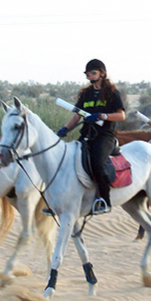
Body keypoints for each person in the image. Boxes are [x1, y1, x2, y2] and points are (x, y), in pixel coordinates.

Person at [56, 59, 126, 214]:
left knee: (97, 163)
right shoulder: (86, 94)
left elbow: (121, 116)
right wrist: (64, 129)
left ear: (103, 73)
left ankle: (105, 201)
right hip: (86, 134)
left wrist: (102, 116)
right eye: (88, 73)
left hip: (104, 136)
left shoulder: (112, 93)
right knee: (68, 161)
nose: (90, 76)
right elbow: (77, 116)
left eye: (93, 72)